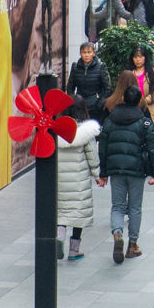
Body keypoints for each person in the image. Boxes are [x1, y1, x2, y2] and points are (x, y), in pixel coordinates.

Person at [96, 73, 154, 261]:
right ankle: (133, 244)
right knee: (135, 207)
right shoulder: (144, 122)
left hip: (116, 169)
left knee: (117, 206)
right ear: (139, 101)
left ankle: (117, 232)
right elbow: (153, 148)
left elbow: (103, 147)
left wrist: (103, 172)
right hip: (136, 170)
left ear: (123, 99)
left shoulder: (110, 120)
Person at [48, 94, 97, 261]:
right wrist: (98, 175)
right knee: (78, 214)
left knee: (61, 211)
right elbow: (92, 155)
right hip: (79, 180)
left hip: (60, 179)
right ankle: (74, 251)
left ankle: (59, 238)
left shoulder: (57, 130)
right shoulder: (86, 131)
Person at [63, 38, 111, 116]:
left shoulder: (101, 66)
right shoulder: (75, 67)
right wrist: (73, 101)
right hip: (79, 104)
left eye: (89, 52)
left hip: (95, 105)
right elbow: (70, 87)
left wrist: (101, 102)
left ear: (93, 53)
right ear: (80, 54)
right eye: (84, 52)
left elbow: (107, 88)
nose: (86, 55)